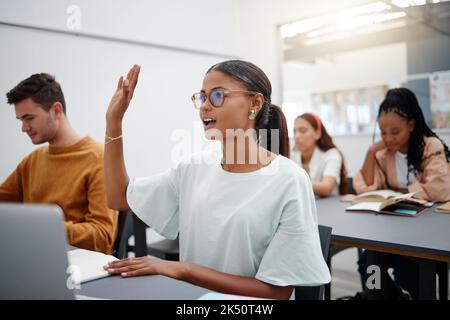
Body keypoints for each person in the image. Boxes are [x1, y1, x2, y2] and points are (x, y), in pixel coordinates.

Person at [102, 61, 330, 299]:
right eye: (202, 98)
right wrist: (113, 121)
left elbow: (276, 292)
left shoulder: (290, 180)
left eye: (218, 96)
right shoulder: (193, 168)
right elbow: (119, 197)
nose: (204, 107)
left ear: (254, 103)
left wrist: (183, 269)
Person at [349, 87, 450, 300]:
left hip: (426, 233)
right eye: (383, 132)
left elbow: (440, 188)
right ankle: (396, 298)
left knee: (408, 271)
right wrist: (370, 152)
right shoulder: (384, 153)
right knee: (369, 266)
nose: (388, 138)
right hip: (393, 230)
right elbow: (364, 186)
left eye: (395, 132)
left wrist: (400, 192)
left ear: (411, 125)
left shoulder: (430, 146)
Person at [0, 73, 118, 254]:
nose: (24, 128)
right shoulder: (32, 161)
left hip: (76, 265)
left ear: (56, 110)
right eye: (21, 120)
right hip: (33, 256)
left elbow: (103, 237)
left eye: (29, 118)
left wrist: (42, 229)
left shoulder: (98, 158)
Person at [292, 113, 348, 196]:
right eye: (295, 132)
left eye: (302, 131)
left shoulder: (331, 154)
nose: (296, 136)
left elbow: (326, 188)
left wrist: (292, 181)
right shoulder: (294, 155)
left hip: (329, 205)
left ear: (317, 134)